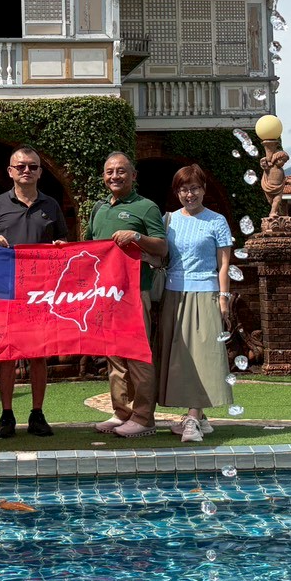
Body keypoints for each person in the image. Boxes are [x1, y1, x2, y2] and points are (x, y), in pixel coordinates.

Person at [0, 145, 68, 439]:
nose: (26, 171)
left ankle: (37, 413)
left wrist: (58, 249)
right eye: (20, 167)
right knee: (6, 355)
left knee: (38, 355)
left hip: (40, 293)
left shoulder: (51, 205)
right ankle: (7, 415)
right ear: (10, 171)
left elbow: (64, 247)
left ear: (40, 171)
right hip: (5, 291)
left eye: (32, 166)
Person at [86, 152, 167, 438]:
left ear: (133, 176)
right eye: (109, 172)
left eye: (121, 171)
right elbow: (89, 249)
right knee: (115, 357)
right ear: (104, 176)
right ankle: (122, 413)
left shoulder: (146, 208)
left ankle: (144, 417)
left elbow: (162, 248)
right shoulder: (98, 209)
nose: (115, 176)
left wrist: (137, 237)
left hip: (135, 291)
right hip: (106, 293)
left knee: (138, 355)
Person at [158, 164, 233, 443]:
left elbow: (224, 265)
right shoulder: (168, 220)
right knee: (179, 358)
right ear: (177, 192)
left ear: (204, 189)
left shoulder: (217, 221)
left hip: (206, 293)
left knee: (203, 357)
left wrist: (223, 299)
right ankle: (198, 417)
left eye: (194, 188)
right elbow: (160, 257)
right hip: (173, 294)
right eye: (183, 189)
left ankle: (192, 417)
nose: (189, 194)